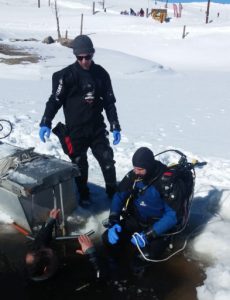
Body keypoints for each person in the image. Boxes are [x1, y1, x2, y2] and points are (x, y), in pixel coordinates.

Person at [39, 34, 121, 205]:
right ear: (76, 56)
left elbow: (109, 102)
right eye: (80, 57)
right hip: (75, 130)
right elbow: (55, 100)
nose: (84, 61)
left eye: (88, 57)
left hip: (96, 127)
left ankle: (113, 194)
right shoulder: (66, 76)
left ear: (93, 53)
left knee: (107, 160)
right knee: (79, 165)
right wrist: (46, 121)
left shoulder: (101, 74)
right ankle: (84, 195)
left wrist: (115, 124)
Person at [102, 147, 190, 274]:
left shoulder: (167, 182)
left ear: (149, 166)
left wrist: (149, 234)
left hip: (158, 226)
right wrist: (113, 220)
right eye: (135, 168)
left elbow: (173, 215)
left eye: (140, 169)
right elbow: (119, 195)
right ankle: (114, 268)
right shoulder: (134, 176)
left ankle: (139, 281)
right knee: (108, 239)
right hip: (136, 219)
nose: (136, 172)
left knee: (143, 258)